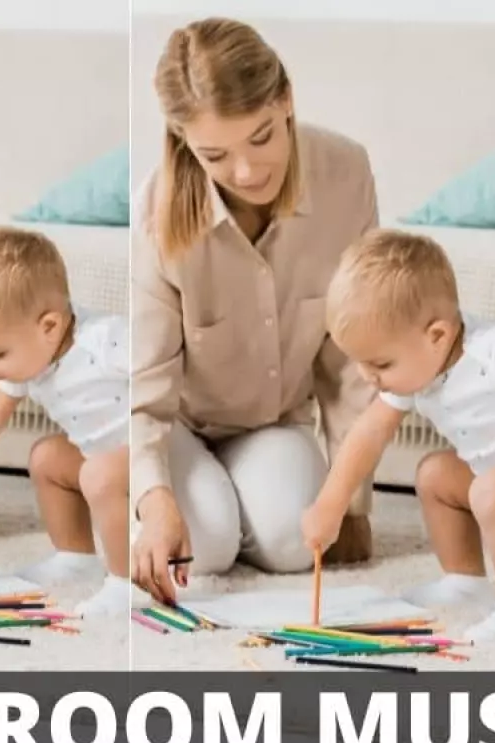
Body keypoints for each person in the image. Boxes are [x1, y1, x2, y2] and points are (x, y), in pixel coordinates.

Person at [132, 17, 378, 605]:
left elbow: (352, 357)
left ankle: (230, 499)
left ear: (286, 99)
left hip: (272, 425)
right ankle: (183, 500)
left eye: (262, 137)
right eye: (215, 154)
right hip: (179, 429)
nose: (246, 172)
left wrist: (353, 500)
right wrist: (155, 496)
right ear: (182, 138)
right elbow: (145, 384)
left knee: (297, 547)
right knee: (203, 548)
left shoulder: (346, 172)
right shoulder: (154, 209)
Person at [304, 230, 495, 643]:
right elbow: (370, 433)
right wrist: (330, 505)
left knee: (489, 492)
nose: (367, 377)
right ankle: (465, 581)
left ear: (438, 336)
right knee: (434, 474)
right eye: (359, 362)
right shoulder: (419, 370)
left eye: (380, 363)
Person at [0, 226, 130, 616]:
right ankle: (75, 557)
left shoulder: (107, 341)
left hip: (149, 459)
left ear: (48, 326)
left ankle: (126, 582)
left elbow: (167, 376)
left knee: (98, 475)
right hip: (101, 459)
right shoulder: (32, 359)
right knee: (47, 458)